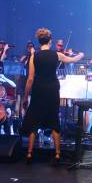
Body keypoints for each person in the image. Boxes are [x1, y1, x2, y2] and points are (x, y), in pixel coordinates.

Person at [21, 28, 83, 164]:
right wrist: (81, 55)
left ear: (39, 41)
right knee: (54, 119)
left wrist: (25, 98)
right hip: (52, 89)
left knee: (34, 120)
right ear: (50, 41)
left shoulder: (34, 56)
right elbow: (72, 60)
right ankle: (57, 154)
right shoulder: (56, 55)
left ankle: (30, 153)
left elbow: (30, 79)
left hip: (38, 89)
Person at [16, 42, 35, 117]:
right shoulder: (25, 56)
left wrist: (32, 54)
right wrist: (22, 59)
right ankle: (18, 119)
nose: (30, 48)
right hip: (22, 80)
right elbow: (19, 65)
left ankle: (27, 118)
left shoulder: (34, 56)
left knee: (28, 100)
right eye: (28, 47)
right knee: (20, 99)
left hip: (29, 80)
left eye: (31, 47)